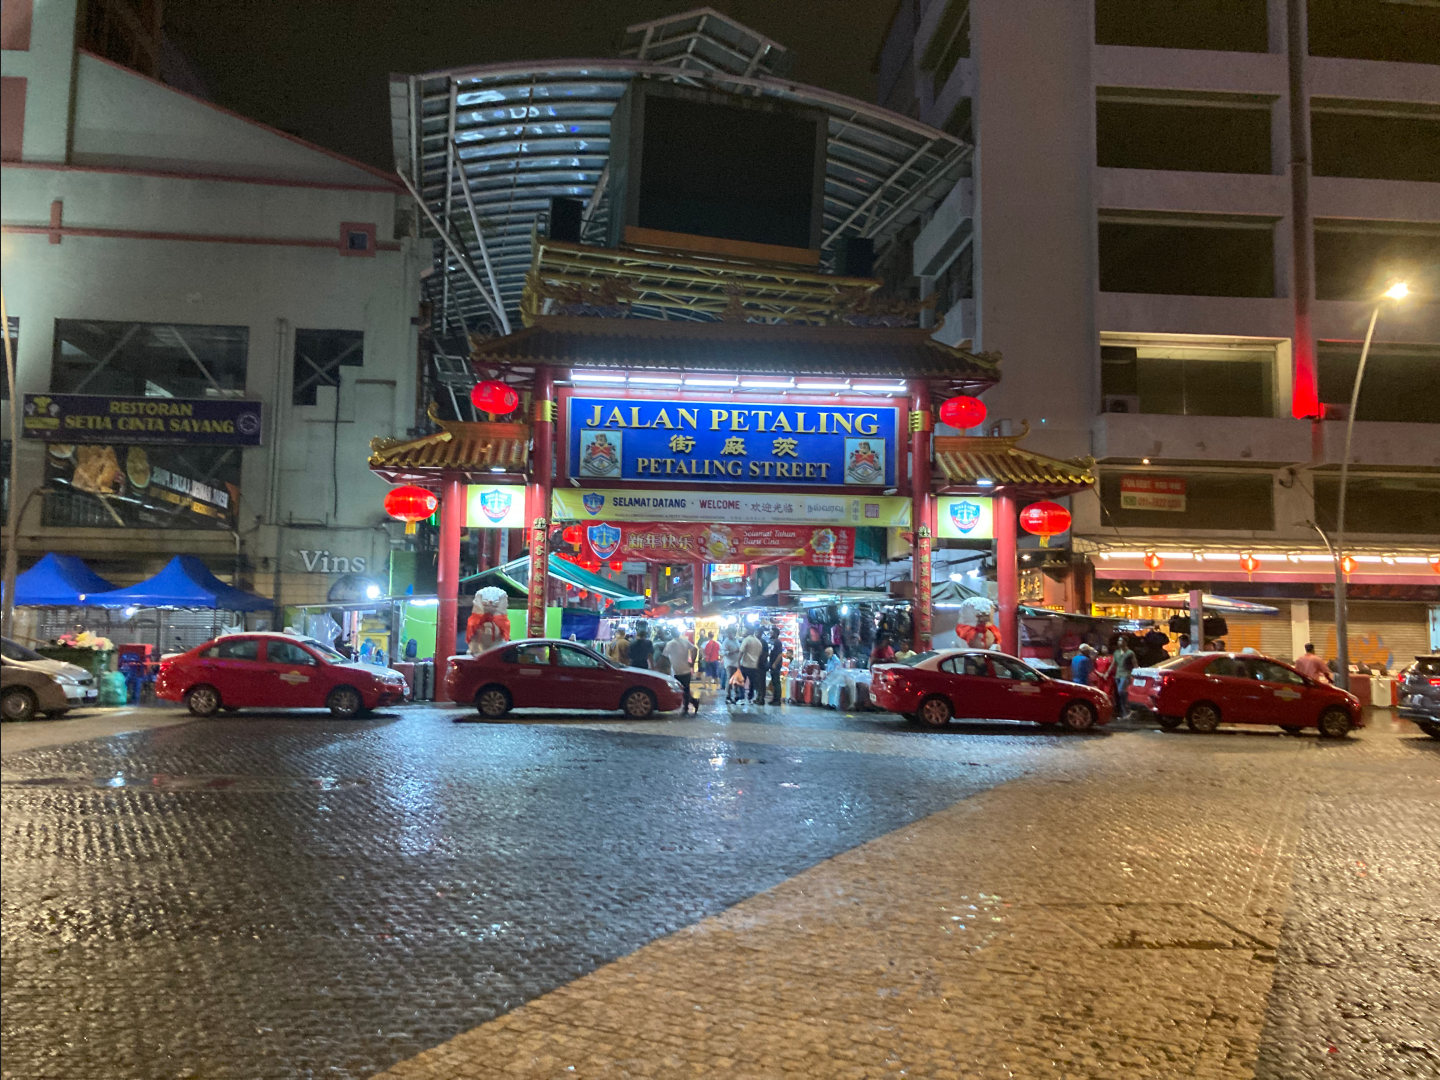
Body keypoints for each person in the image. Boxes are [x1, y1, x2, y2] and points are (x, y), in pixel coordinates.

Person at [663, 633, 700, 713]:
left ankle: (688, 704)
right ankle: (689, 704)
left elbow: (664, 656)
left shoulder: (670, 644)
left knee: (678, 689)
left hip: (676, 670)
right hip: (686, 669)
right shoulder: (685, 641)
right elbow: (695, 649)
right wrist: (693, 662)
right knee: (686, 689)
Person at [739, 626, 764, 704]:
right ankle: (750, 698)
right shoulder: (758, 642)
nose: (745, 632)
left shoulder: (746, 640)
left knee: (741, 681)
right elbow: (760, 654)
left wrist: (738, 662)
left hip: (745, 664)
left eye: (746, 630)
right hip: (754, 665)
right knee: (752, 683)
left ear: (749, 631)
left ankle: (742, 698)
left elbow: (741, 651)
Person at [1112, 636, 1136, 709]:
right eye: (1119, 640)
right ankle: (1124, 711)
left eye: (1121, 640)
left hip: (1126, 674)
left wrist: (1136, 673)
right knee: (1120, 694)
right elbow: (1113, 663)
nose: (1119, 642)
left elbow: (1135, 663)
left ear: (1125, 642)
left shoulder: (1130, 653)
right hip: (1118, 674)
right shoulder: (1116, 652)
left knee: (1121, 690)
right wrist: (1107, 672)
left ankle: (1129, 703)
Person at [721, 629, 743, 703]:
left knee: (736, 679)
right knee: (729, 679)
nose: (732, 635)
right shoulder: (726, 642)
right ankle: (728, 695)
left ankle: (736, 695)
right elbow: (723, 652)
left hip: (736, 663)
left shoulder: (736, 640)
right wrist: (732, 652)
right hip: (729, 663)